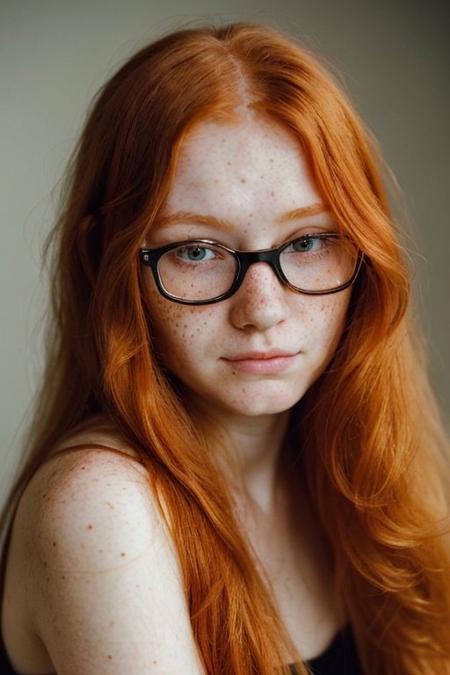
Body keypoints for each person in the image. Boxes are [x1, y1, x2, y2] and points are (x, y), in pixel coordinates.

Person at [0, 20, 449, 675]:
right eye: (197, 250)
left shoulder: (347, 470)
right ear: (107, 261)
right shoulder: (103, 509)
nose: (262, 309)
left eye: (308, 242)